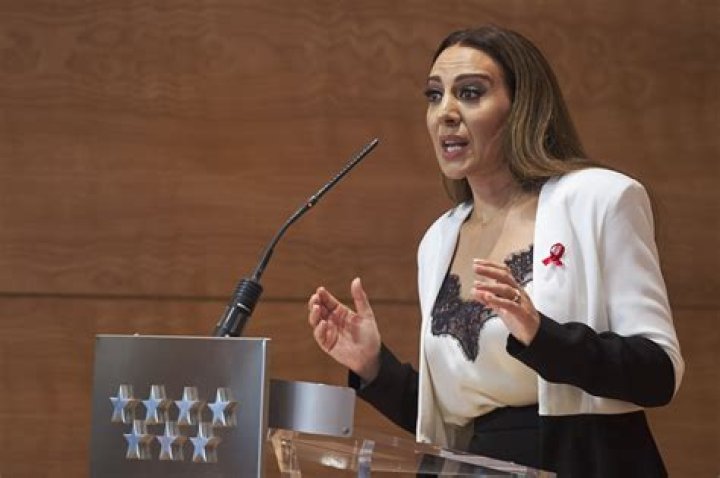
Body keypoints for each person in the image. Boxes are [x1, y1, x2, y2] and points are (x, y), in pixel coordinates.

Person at [307, 25, 683, 477]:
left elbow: (658, 374)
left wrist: (542, 336)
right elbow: (459, 422)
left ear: (522, 107)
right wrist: (374, 366)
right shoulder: (439, 239)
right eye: (434, 95)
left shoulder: (599, 199)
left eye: (470, 93)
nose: (445, 112)